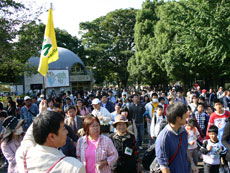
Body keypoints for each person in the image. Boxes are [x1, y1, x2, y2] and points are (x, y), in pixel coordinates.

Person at [16, 109, 85, 172]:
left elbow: (28, 138)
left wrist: (41, 116)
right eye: (63, 129)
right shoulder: (73, 167)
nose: (67, 132)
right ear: (52, 136)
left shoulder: (24, 154)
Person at [155, 102, 198, 173]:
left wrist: (192, 164)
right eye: (185, 114)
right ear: (178, 118)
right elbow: (164, 167)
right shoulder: (163, 139)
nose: (187, 115)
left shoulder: (183, 131)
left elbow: (185, 148)